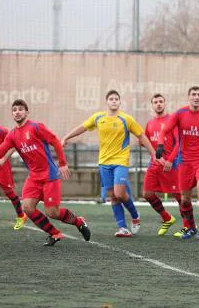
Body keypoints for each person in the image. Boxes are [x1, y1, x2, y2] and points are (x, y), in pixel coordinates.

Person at [0, 99, 90, 246]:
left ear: (27, 112)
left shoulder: (35, 127)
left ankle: (79, 222)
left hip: (49, 176)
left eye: (20, 109)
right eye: (14, 110)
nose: (17, 112)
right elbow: (2, 149)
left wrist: (62, 164)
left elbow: (54, 141)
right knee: (27, 207)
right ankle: (54, 233)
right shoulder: (12, 134)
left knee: (52, 212)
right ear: (12, 114)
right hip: (33, 177)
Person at [62, 90, 159, 237]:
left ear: (120, 102)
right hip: (104, 163)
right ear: (107, 102)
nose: (113, 101)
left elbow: (141, 135)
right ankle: (123, 228)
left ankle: (134, 214)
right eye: (111, 99)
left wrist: (153, 153)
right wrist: (66, 137)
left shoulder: (126, 119)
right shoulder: (98, 117)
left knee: (120, 193)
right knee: (113, 196)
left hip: (120, 161)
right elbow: (82, 127)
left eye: (116, 99)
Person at [157, 86, 199, 240]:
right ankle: (191, 227)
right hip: (184, 162)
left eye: (198, 95)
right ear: (189, 97)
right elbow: (164, 129)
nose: (196, 97)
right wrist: (160, 144)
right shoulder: (180, 114)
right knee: (184, 199)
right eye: (193, 95)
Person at [142, 93, 181, 236]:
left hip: (170, 165)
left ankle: (189, 225)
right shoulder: (150, 124)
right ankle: (167, 218)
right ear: (152, 105)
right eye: (155, 102)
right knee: (147, 194)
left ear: (165, 103)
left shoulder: (172, 120)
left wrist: (170, 160)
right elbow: (144, 141)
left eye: (160, 101)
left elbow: (179, 142)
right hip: (154, 165)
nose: (158, 104)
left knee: (179, 196)